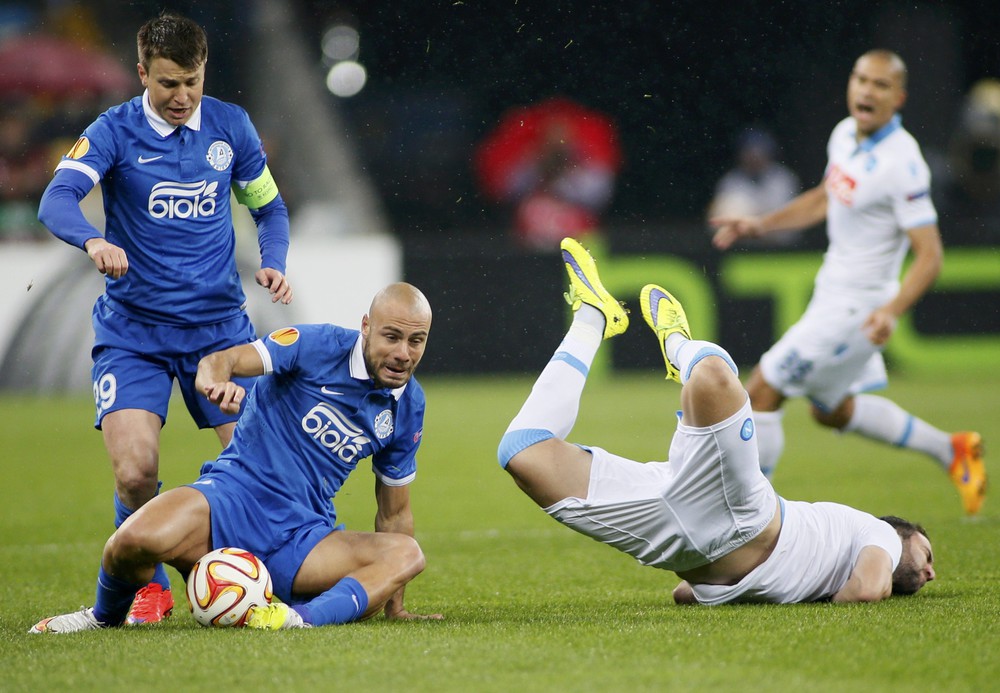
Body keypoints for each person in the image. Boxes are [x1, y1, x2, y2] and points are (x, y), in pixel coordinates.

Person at [497, 238, 935, 605]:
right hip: (741, 513)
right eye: (928, 554)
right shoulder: (878, 533)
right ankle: (677, 346)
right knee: (712, 376)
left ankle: (592, 316)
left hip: (675, 537)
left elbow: (684, 593)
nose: (931, 572)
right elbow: (866, 591)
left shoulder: (833, 567)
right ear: (903, 533)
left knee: (522, 451)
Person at [35, 12, 294, 624]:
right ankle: (145, 591)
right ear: (142, 73)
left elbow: (270, 210)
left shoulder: (231, 127)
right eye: (168, 83)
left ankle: (274, 581)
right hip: (134, 333)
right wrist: (93, 241)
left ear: (205, 72)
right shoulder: (113, 131)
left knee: (261, 471)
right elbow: (56, 198)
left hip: (219, 334)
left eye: (192, 82)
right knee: (135, 473)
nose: (182, 97)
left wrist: (274, 261)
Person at [30, 283, 443, 633]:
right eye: (392, 337)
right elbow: (222, 359)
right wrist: (215, 382)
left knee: (406, 554)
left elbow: (394, 513)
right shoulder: (316, 345)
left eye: (416, 341)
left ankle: (294, 619)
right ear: (366, 327)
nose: (403, 353)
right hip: (229, 498)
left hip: (301, 536)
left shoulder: (409, 406)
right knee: (131, 541)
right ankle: (101, 618)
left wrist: (395, 606)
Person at [709, 49, 986, 515]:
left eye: (880, 84)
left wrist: (891, 311)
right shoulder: (843, 135)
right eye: (860, 79)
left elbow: (931, 255)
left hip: (858, 309)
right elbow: (825, 198)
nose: (866, 90)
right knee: (830, 409)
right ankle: (951, 449)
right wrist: (761, 224)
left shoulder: (903, 163)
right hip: (831, 294)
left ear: (898, 98)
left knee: (763, 388)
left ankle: (752, 521)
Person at [706, 128, 801, 246]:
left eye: (759, 151)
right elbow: (716, 220)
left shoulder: (784, 178)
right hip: (743, 244)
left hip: (781, 245)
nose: (754, 156)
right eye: (749, 151)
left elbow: (792, 218)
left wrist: (759, 222)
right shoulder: (730, 180)